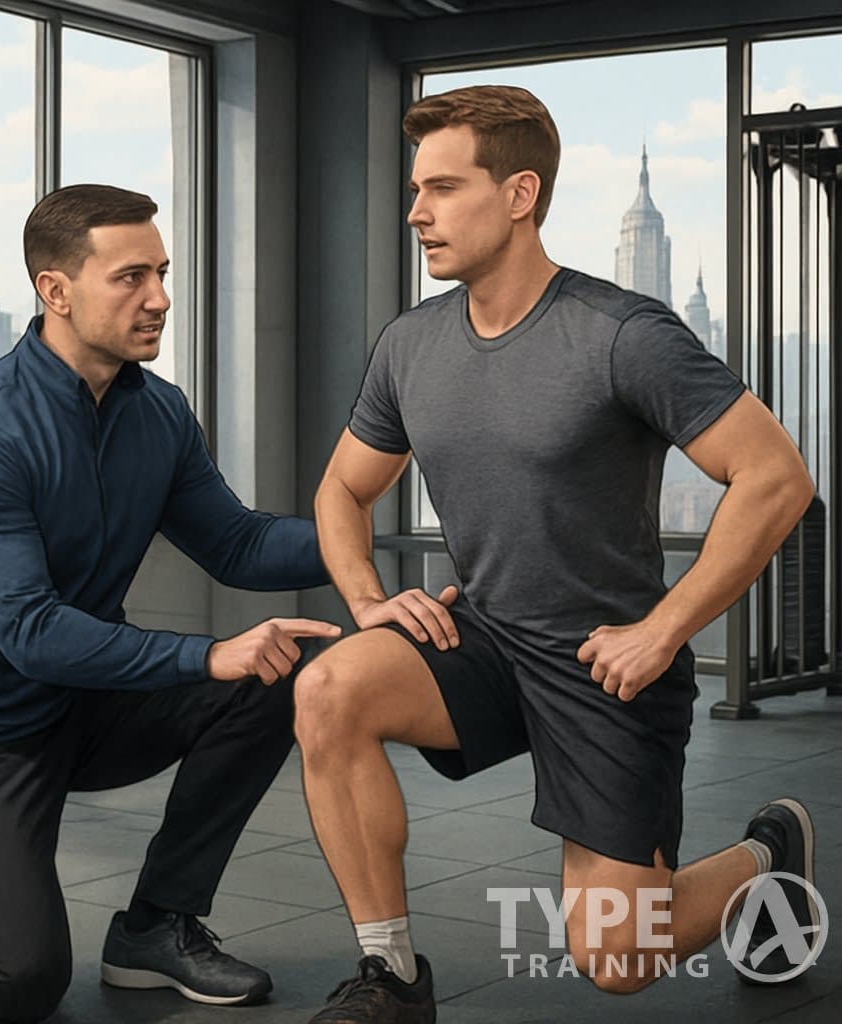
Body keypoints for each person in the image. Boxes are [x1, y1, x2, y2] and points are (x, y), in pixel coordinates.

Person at [293, 86, 819, 1023]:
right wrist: (370, 599)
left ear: (520, 192)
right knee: (328, 687)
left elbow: (776, 478)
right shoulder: (410, 346)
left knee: (618, 957)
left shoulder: (622, 334)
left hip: (606, 666)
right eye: (416, 189)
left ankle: (767, 855)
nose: (417, 211)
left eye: (443, 188)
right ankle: (392, 978)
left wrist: (663, 632)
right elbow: (341, 488)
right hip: (486, 640)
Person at [0, 183, 340, 1024]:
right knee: (21, 983)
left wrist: (359, 539)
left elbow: (237, 543)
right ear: (55, 289)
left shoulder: (159, 413)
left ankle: (157, 927)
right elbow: (30, 633)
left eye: (163, 274)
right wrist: (207, 653)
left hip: (87, 706)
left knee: (277, 675)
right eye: (131, 277)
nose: (160, 299)